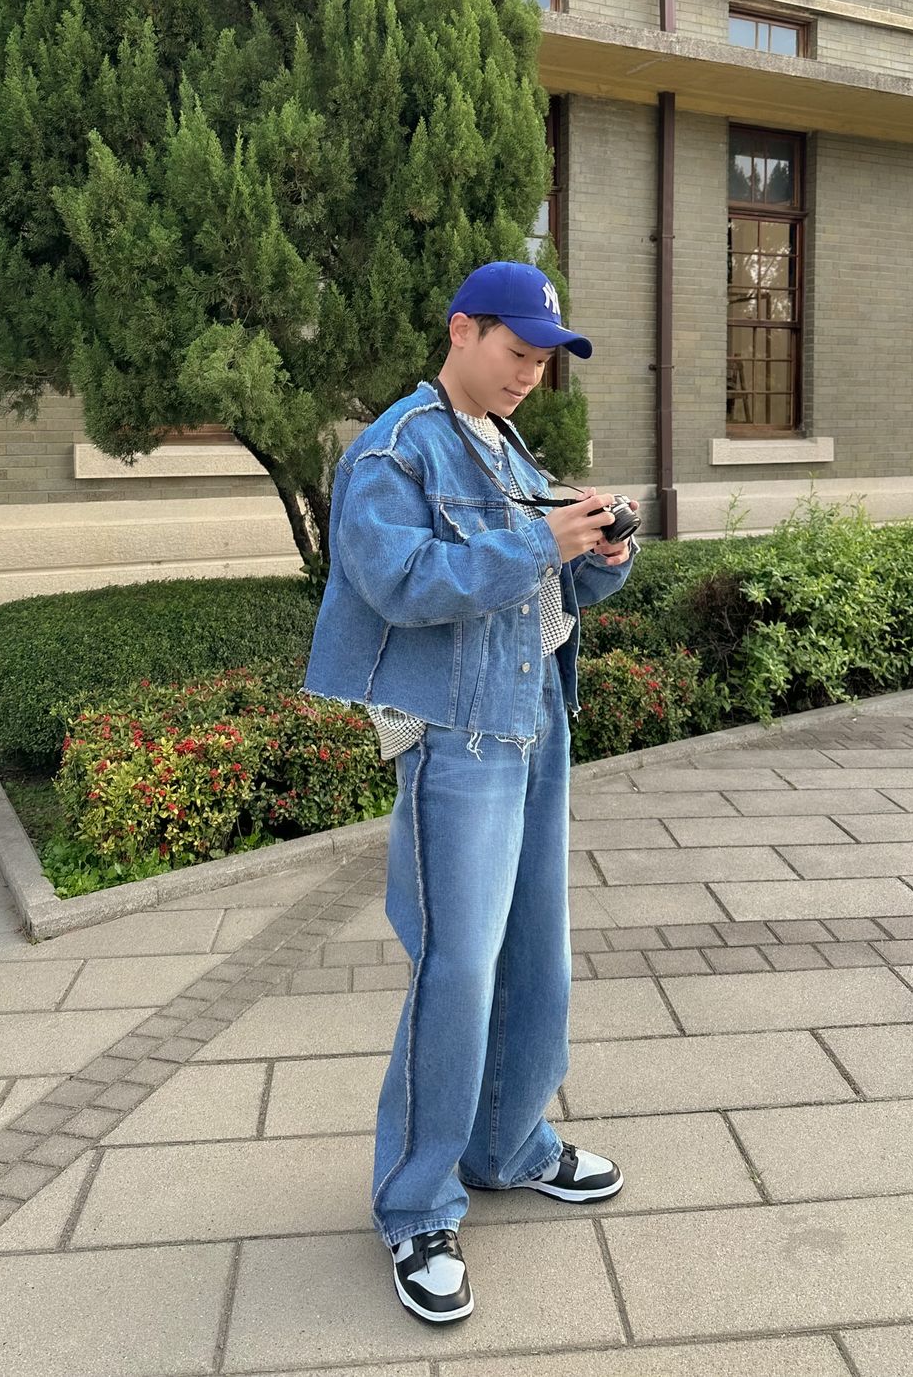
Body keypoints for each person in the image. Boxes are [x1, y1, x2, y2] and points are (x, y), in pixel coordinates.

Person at [303, 260, 638, 1324]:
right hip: (456, 739)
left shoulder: (505, 443)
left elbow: (548, 583)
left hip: (534, 716)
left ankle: (509, 1144)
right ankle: (416, 1205)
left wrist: (600, 547)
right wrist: (539, 537)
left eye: (544, 360)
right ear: (461, 330)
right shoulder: (394, 450)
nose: (531, 373)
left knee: (538, 953)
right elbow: (399, 583)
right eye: (517, 351)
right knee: (456, 970)